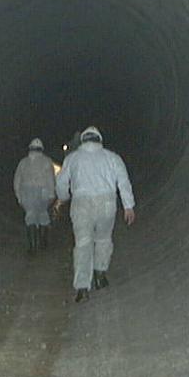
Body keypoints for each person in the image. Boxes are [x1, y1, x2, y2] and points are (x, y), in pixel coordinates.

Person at [53, 126, 135, 302]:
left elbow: (61, 182)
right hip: (106, 202)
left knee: (83, 243)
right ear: (99, 140)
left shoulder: (73, 158)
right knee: (103, 239)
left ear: (83, 140)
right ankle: (100, 274)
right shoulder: (112, 157)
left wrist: (63, 198)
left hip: (81, 203)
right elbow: (123, 181)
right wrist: (128, 206)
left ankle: (82, 287)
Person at [13, 138, 56, 253]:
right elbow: (51, 179)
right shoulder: (47, 161)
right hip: (43, 191)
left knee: (30, 216)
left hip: (27, 191)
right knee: (43, 214)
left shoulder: (23, 162)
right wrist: (52, 194)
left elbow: (17, 180)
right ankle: (43, 241)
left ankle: (33, 246)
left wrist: (19, 196)